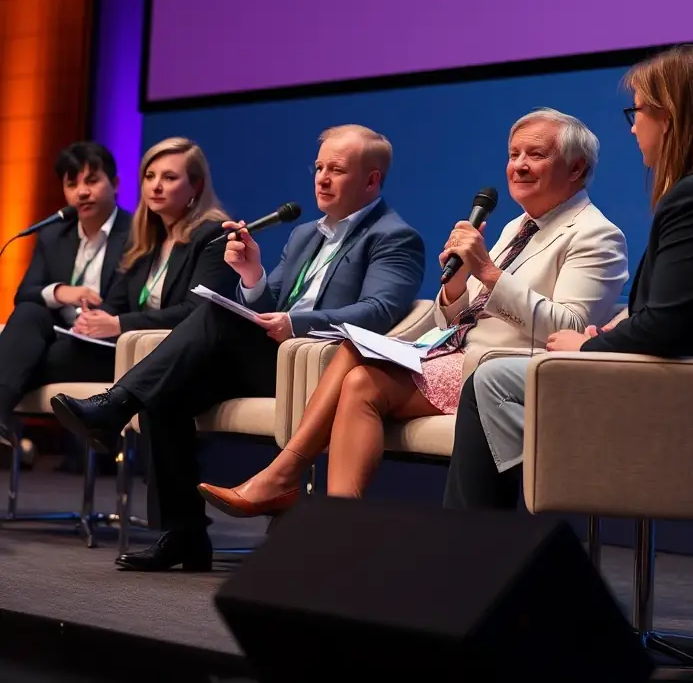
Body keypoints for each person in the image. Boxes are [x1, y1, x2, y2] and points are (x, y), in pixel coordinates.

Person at [198, 109, 627, 519]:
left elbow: (570, 330)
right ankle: (334, 521)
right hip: (456, 355)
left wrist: (488, 272)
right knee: (360, 374)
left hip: (505, 374)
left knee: (358, 369)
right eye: (513, 154)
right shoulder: (519, 226)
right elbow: (465, 317)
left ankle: (285, 479)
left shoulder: (597, 235)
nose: (519, 165)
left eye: (536, 154)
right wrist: (457, 287)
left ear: (576, 169)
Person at [51, 124, 425, 571]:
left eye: (337, 170)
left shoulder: (394, 237)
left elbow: (378, 311)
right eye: (319, 167)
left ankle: (114, 404)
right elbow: (271, 302)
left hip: (318, 366)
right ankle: (183, 534)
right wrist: (252, 277)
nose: (322, 179)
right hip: (274, 357)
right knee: (166, 391)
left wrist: (294, 323)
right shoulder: (307, 234)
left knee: (210, 315)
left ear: (371, 180)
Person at [444, 45, 693, 511]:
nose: (633, 126)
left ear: (671, 115)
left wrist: (590, 346)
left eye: (636, 112)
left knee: (492, 380)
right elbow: (684, 308)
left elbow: (670, 326)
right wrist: (619, 328)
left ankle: (480, 553)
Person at [0, 142, 131, 448]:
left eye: (92, 181)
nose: (81, 193)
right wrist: (62, 292)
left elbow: (127, 300)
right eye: (72, 184)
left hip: (103, 344)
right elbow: (25, 295)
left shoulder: (136, 233)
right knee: (30, 313)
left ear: (114, 184)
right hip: (55, 335)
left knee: (20, 354)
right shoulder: (54, 234)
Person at [67, 137, 237, 346]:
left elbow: (196, 311)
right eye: (149, 176)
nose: (155, 186)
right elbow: (116, 302)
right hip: (136, 348)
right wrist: (91, 320)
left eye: (169, 178)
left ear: (196, 187)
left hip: (186, 353)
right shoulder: (147, 240)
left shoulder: (215, 235)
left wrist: (119, 324)